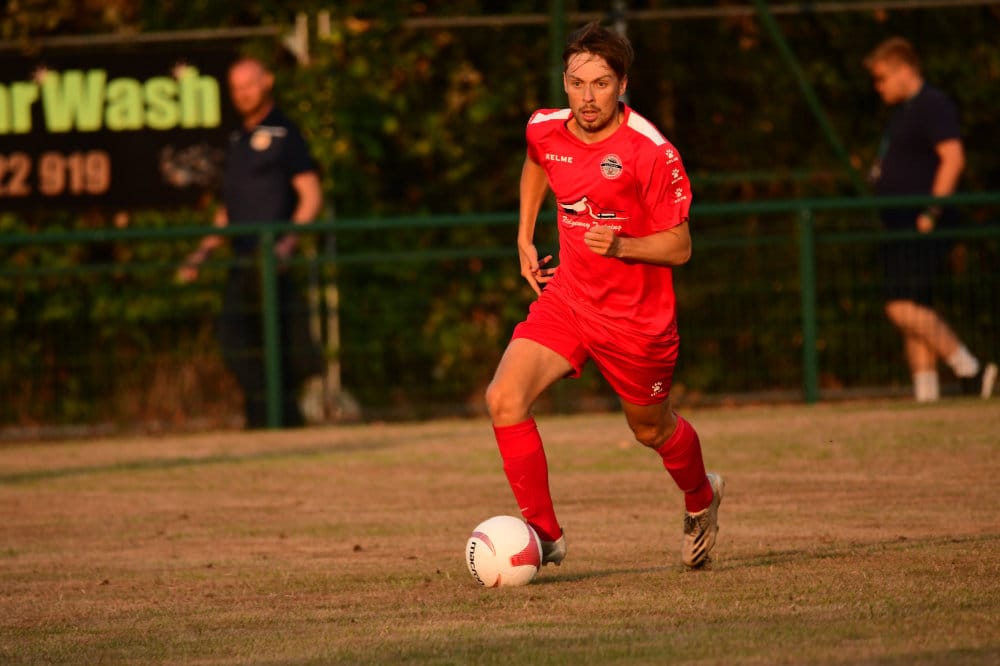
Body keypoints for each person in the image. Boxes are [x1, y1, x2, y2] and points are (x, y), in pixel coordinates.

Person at [484, 22, 723, 569]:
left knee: (651, 430)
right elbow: (536, 162)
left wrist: (622, 245)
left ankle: (701, 497)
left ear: (623, 84)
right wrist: (524, 235)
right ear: (563, 82)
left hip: (637, 322)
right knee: (504, 399)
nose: (587, 97)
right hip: (569, 299)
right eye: (576, 83)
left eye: (600, 83)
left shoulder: (651, 151)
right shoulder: (545, 128)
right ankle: (545, 536)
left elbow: (681, 246)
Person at [177, 56, 324, 428]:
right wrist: (202, 252)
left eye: (249, 85)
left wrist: (287, 243)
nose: (242, 94)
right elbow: (227, 209)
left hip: (273, 260)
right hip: (241, 259)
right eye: (236, 88)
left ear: (267, 82)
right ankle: (263, 413)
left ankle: (282, 418)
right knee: (235, 340)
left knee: (284, 343)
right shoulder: (236, 139)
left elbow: (311, 195)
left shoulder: (285, 133)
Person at [864, 37, 996, 402]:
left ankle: (971, 369)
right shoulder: (902, 112)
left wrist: (931, 211)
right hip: (899, 224)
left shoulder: (933, 104)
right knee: (917, 309)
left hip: (921, 223)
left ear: (905, 70)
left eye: (882, 78)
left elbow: (953, 158)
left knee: (900, 306)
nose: (878, 87)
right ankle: (926, 395)